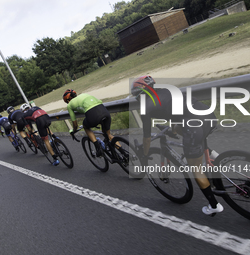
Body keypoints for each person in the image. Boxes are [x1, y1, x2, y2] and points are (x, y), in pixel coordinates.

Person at [132, 75, 224, 215]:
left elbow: (147, 137)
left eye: (136, 96)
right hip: (208, 116)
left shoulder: (146, 107)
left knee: (196, 168)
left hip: (193, 126)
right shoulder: (167, 91)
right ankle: (216, 159)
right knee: (193, 138)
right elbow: (178, 112)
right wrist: (172, 130)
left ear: (141, 93)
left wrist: (145, 155)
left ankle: (214, 205)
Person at [63, 89, 113, 157]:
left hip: (93, 113)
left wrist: (74, 130)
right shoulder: (84, 94)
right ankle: (124, 155)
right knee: (108, 135)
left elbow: (75, 123)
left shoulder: (69, 105)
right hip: (103, 109)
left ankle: (98, 148)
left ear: (68, 100)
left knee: (85, 126)